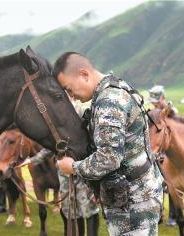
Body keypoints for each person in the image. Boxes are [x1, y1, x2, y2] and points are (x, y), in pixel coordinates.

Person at [54, 52, 163, 236]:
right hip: (134, 196)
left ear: (84, 74)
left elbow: (109, 158)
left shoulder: (109, 101)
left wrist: (72, 167)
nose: (71, 96)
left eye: (69, 89)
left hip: (133, 204)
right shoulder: (114, 88)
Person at [148, 85, 178, 226]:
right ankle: (159, 213)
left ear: (163, 98)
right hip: (157, 153)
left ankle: (173, 215)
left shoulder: (173, 112)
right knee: (156, 184)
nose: (155, 103)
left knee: (172, 184)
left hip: (170, 154)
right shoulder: (153, 113)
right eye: (153, 101)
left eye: (157, 100)